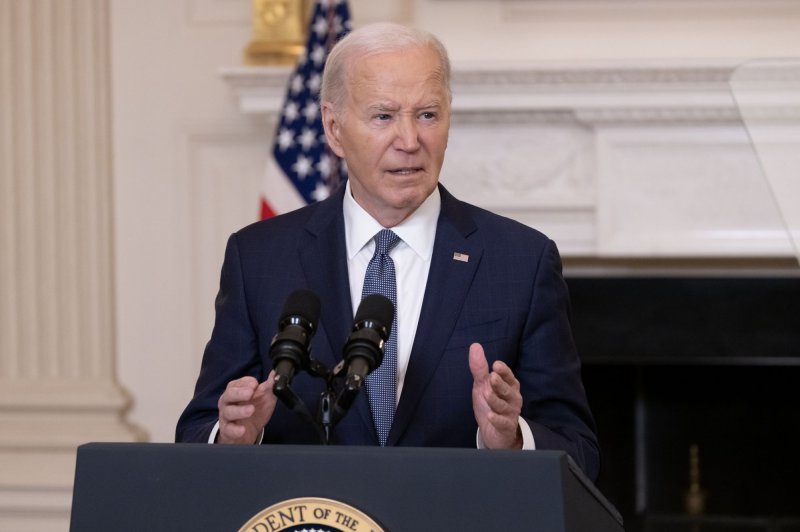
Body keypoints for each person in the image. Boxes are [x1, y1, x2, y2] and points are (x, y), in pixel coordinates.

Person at [175, 22, 600, 481]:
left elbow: (581, 455)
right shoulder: (258, 259)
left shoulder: (521, 261)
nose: (410, 140)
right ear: (334, 129)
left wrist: (510, 438)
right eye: (383, 116)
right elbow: (198, 432)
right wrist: (237, 435)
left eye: (428, 115)